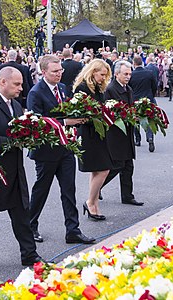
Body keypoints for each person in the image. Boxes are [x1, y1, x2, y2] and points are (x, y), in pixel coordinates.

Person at [0, 67, 44, 269]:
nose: (21, 88)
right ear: (2, 82)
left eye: (21, 84)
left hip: (16, 170)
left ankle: (29, 254)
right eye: (17, 84)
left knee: (22, 213)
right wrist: (11, 142)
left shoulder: (17, 106)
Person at [27, 55, 95, 244]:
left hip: (65, 148)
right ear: (43, 72)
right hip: (45, 151)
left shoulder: (63, 88)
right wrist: (66, 121)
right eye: (55, 71)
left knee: (69, 190)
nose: (59, 74)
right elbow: (36, 123)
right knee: (41, 190)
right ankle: (30, 226)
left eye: (60, 71)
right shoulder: (36, 92)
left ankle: (73, 230)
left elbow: (67, 110)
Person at [74, 58, 113, 220]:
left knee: (98, 170)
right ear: (93, 72)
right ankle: (90, 202)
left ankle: (94, 203)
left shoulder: (97, 87)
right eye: (102, 74)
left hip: (98, 132)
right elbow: (79, 113)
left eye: (105, 75)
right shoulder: (82, 88)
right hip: (88, 133)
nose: (104, 78)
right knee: (104, 169)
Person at [102, 60, 143, 206]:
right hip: (116, 134)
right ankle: (97, 187)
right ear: (117, 74)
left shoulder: (128, 88)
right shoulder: (110, 89)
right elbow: (108, 112)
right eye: (125, 74)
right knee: (117, 166)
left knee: (128, 167)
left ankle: (127, 196)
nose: (128, 76)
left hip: (127, 133)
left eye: (130, 74)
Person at [130, 55, 157, 152]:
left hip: (135, 100)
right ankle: (150, 138)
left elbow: (129, 89)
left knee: (136, 120)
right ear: (142, 62)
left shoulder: (131, 75)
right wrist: (151, 96)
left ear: (134, 63)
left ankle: (137, 139)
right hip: (148, 99)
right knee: (149, 119)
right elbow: (154, 86)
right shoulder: (149, 73)